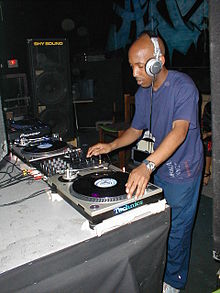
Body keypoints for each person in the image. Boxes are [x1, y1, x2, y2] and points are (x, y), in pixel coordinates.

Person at [87, 31, 203, 293]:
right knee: (156, 222)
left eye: (140, 66)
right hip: (158, 166)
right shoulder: (143, 94)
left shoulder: (183, 87)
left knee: (177, 231)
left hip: (183, 171)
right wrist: (111, 144)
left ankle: (173, 283)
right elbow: (136, 130)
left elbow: (179, 131)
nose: (135, 73)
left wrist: (147, 166)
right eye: (131, 66)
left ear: (157, 62)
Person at [202, 101, 212, 185]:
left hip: (212, 134)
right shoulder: (209, 106)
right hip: (209, 129)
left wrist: (207, 134)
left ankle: (206, 172)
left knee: (208, 143)